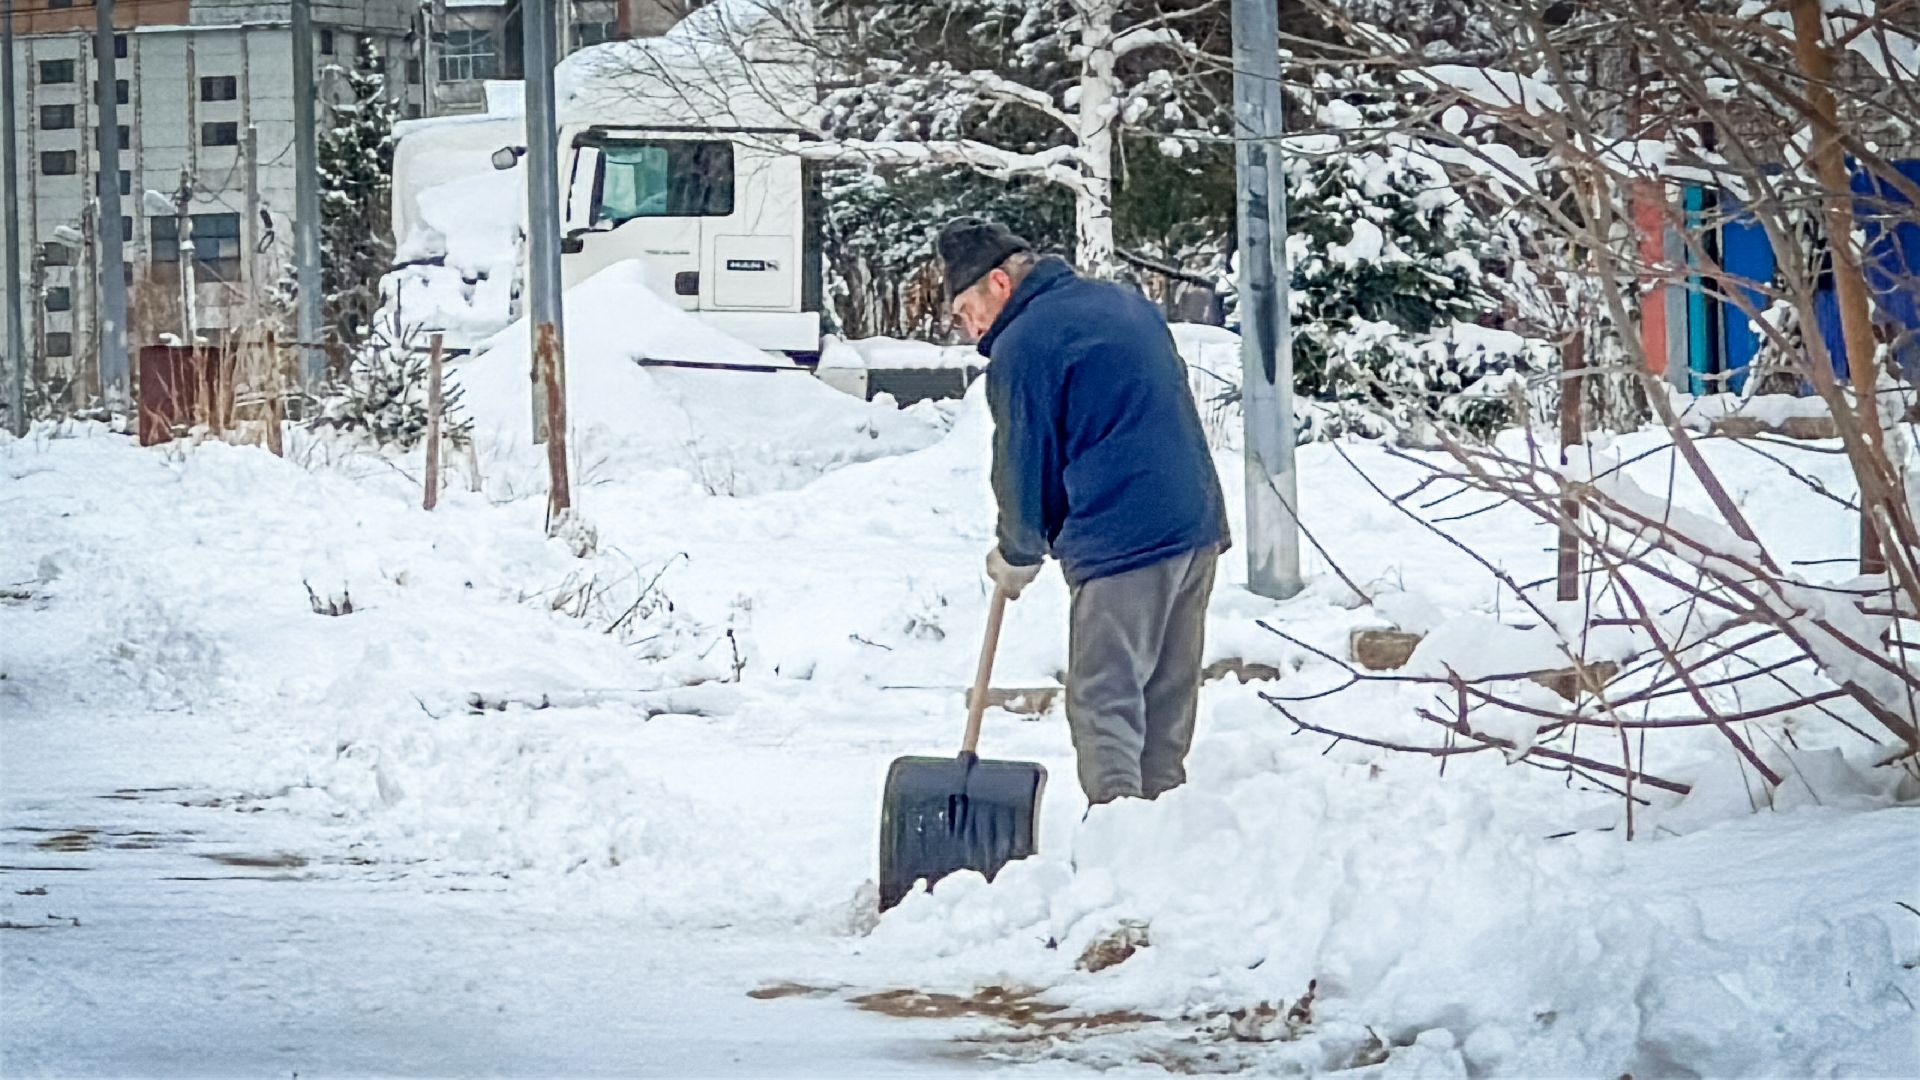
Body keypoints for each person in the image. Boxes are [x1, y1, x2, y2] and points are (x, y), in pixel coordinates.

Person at [938, 216, 1230, 806]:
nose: (971, 331)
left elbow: (1025, 461)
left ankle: (1118, 830)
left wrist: (1019, 550)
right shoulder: (1123, 302)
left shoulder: (1024, 344)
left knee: (1105, 698)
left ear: (999, 282)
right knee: (1166, 699)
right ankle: (1166, 827)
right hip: (1195, 525)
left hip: (1122, 538)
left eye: (967, 311)